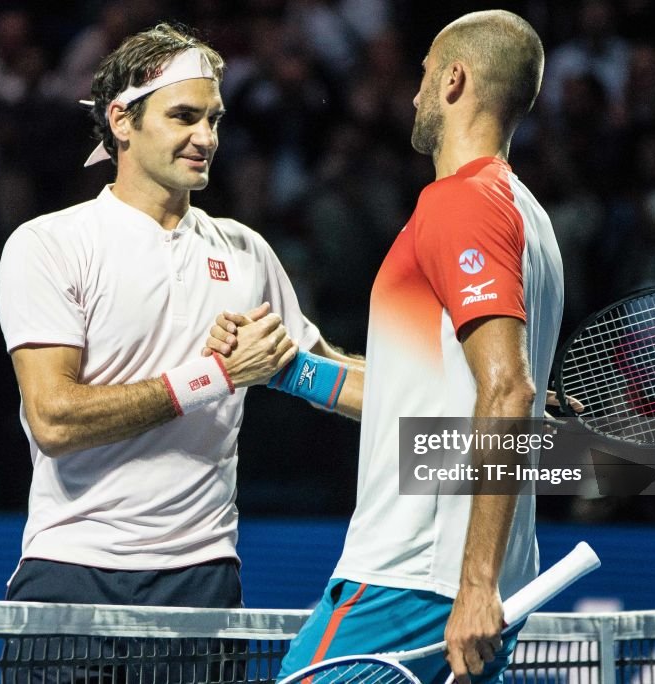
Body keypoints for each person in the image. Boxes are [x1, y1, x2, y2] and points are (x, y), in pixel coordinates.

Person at [213, 10, 562, 684]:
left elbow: (510, 390)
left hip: (415, 579)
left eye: (425, 76)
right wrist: (288, 369)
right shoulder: (528, 217)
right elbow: (419, 400)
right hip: (470, 587)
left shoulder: (462, 204)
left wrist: (475, 583)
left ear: (455, 79)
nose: (413, 94)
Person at [0, 24, 362, 609]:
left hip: (204, 579)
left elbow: (334, 381)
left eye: (213, 119)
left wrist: (289, 371)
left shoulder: (244, 251)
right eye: (184, 116)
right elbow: (54, 420)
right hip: (73, 570)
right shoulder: (50, 243)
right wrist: (215, 376)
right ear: (122, 121)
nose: (206, 137)